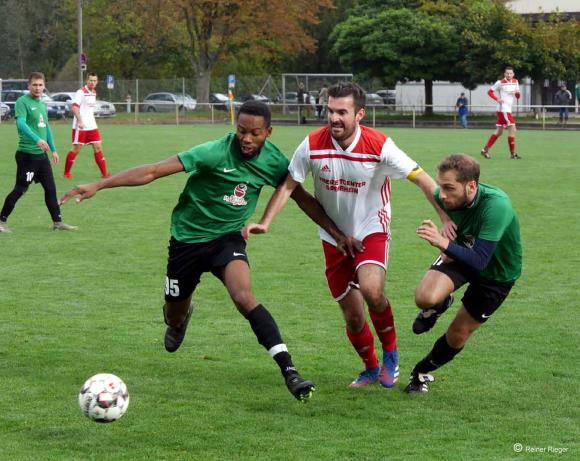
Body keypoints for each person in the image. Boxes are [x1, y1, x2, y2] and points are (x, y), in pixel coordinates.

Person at [60, 101, 357, 402]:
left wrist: (338, 234)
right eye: (241, 131)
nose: (246, 139)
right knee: (173, 316)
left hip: (227, 240)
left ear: (268, 132)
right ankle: (181, 317)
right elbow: (152, 171)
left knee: (244, 296)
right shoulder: (214, 152)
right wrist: (101, 184)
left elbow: (301, 198)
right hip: (186, 241)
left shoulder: (274, 162)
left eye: (255, 133)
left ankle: (290, 371)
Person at [243, 83, 455, 389]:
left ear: (359, 114)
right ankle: (370, 367)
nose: (334, 118)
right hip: (333, 237)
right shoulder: (313, 143)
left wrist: (445, 216)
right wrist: (265, 222)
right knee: (353, 317)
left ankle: (391, 354)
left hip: (372, 228)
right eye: (330, 111)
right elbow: (289, 185)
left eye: (342, 112)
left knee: (371, 291)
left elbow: (422, 179)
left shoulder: (379, 145)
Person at [405, 154, 522, 394]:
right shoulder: (444, 196)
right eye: (442, 186)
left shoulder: (497, 205)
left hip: (496, 274)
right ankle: (439, 303)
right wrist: (444, 217)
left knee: (458, 335)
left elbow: (480, 260)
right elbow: (431, 189)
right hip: (461, 253)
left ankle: (421, 371)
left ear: (471, 186)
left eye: (450, 188)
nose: (443, 195)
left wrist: (442, 243)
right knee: (425, 297)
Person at [0, 72, 77, 233]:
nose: (37, 88)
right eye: (34, 85)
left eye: (40, 85)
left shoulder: (42, 104)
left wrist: (54, 150)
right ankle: (1, 221)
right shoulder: (22, 102)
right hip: (27, 155)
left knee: (50, 189)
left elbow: (46, 128)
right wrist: (37, 140)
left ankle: (58, 223)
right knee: (21, 189)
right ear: (29, 86)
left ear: (44, 86)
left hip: (41, 156)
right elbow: (21, 123)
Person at [64, 72, 110, 179]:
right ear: (86, 80)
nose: (92, 82)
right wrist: (80, 121)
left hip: (92, 126)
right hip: (81, 126)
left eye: (94, 80)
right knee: (77, 149)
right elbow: (74, 107)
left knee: (98, 147)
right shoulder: (81, 92)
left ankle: (105, 174)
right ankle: (66, 173)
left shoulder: (93, 92)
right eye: (90, 80)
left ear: (97, 82)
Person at [480, 66, 521, 160]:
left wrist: (518, 94)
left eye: (511, 73)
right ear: (504, 74)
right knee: (512, 129)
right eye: (507, 73)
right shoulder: (500, 83)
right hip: (503, 109)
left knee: (499, 132)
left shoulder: (515, 82)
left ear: (513, 74)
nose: (509, 75)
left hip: (506, 110)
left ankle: (485, 150)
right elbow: (490, 92)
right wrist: (497, 99)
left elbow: (517, 96)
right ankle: (513, 154)